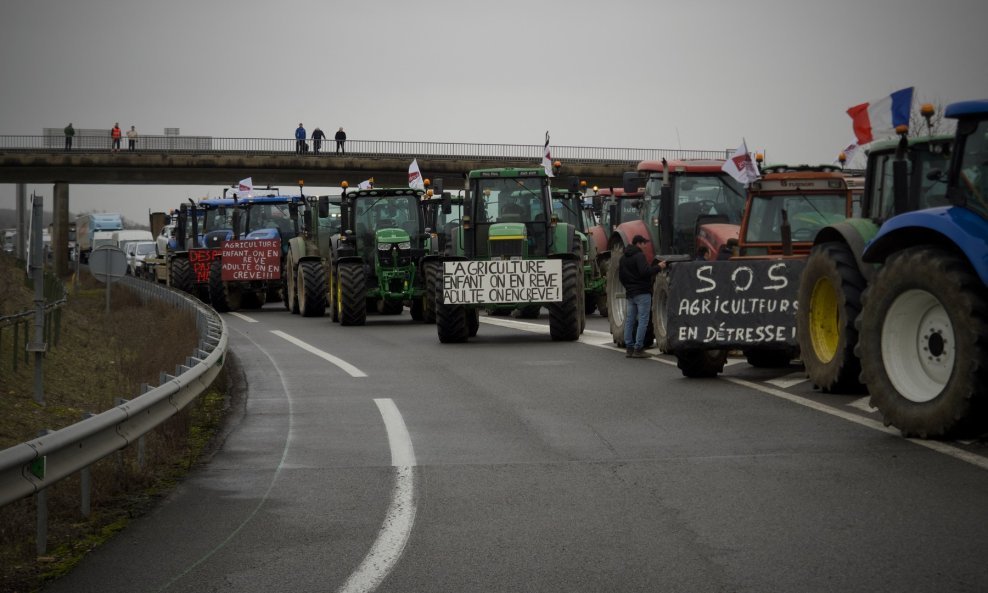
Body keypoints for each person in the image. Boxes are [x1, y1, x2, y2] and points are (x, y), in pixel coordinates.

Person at [619, 235, 661, 358]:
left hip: (631, 293)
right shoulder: (639, 256)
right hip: (642, 293)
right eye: (644, 243)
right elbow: (645, 272)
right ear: (639, 244)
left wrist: (629, 287)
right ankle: (638, 348)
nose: (645, 246)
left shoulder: (623, 258)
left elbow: (621, 277)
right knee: (643, 321)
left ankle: (629, 348)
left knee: (630, 320)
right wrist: (659, 267)